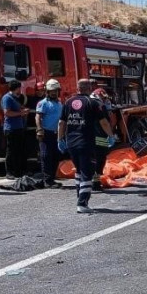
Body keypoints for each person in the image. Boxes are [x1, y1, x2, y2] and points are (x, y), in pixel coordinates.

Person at [57, 79, 117, 214]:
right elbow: (104, 122)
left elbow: (61, 123)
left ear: (77, 88)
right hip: (86, 143)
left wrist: (60, 139)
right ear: (89, 88)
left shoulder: (68, 102)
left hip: (71, 143)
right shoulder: (93, 103)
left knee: (79, 171)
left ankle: (80, 196)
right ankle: (82, 203)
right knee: (87, 172)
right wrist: (111, 136)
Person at [36, 79, 63, 188]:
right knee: (46, 156)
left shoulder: (59, 103)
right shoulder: (43, 103)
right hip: (46, 133)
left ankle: (51, 178)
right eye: (51, 91)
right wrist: (39, 129)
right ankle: (47, 180)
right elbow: (38, 117)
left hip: (57, 133)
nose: (54, 93)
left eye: (55, 91)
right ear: (47, 91)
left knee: (55, 156)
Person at [2, 80, 29, 179]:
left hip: (19, 127)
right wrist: (20, 114)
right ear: (17, 88)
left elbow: (18, 108)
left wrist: (23, 110)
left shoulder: (15, 98)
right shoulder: (7, 98)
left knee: (19, 150)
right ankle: (9, 172)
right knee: (11, 151)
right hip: (11, 128)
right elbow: (7, 112)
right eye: (19, 88)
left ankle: (18, 171)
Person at [91, 88, 116, 191]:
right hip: (99, 136)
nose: (104, 99)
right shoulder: (99, 106)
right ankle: (95, 183)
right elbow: (105, 122)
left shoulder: (86, 104)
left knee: (92, 159)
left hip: (87, 137)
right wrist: (111, 135)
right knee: (100, 159)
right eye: (102, 97)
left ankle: (89, 182)